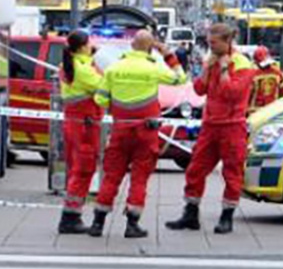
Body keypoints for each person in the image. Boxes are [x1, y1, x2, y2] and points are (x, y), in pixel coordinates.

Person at [88, 30, 187, 239]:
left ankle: (98, 223)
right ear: (150, 48)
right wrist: (169, 55)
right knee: (140, 177)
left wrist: (118, 105)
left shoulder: (114, 68)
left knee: (112, 176)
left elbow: (100, 99)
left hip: (120, 129)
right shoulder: (153, 68)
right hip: (146, 131)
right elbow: (180, 79)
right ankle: (132, 224)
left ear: (131, 46)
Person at [166, 24, 256, 234]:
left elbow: (231, 93)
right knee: (195, 169)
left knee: (232, 173)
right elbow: (198, 90)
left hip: (232, 126)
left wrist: (224, 69)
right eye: (209, 42)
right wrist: (207, 70)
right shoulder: (212, 59)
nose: (210, 46)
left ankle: (227, 217)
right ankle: (190, 213)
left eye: (213, 43)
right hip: (210, 125)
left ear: (227, 42)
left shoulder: (242, 64)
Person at [57, 30, 104, 234]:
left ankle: (72, 213)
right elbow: (103, 86)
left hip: (76, 122)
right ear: (82, 46)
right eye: (89, 43)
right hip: (85, 124)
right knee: (84, 168)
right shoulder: (82, 69)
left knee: (78, 166)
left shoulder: (71, 65)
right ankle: (70, 216)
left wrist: (91, 59)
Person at [249, 45, 283, 113]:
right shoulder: (277, 73)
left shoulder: (252, 74)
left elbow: (246, 95)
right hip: (272, 111)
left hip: (255, 113)